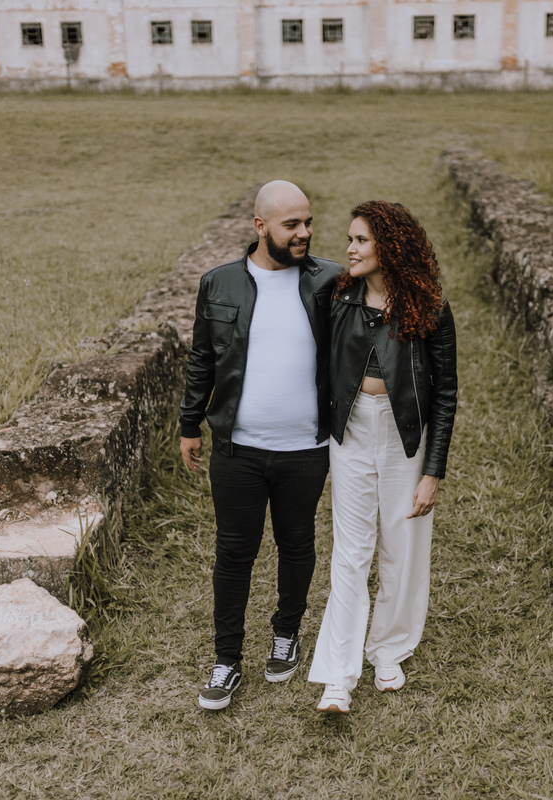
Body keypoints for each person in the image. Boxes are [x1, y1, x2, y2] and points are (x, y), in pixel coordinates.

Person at [180, 180, 344, 711]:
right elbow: (202, 358)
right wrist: (189, 424)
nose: (304, 232)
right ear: (260, 226)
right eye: (291, 224)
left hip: (306, 448)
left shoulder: (329, 281)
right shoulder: (219, 283)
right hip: (238, 449)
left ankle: (286, 633)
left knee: (296, 543)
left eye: (308, 222)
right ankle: (226, 660)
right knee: (234, 552)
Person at [308, 200, 457, 714]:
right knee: (350, 553)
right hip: (350, 432)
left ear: (389, 247)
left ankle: (388, 649)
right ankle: (338, 676)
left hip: (404, 437)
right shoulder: (338, 297)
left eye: (361, 240)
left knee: (403, 545)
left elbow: (445, 394)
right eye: (349, 239)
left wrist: (432, 472)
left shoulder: (429, 307)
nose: (349, 249)